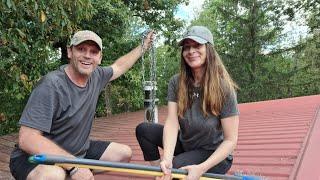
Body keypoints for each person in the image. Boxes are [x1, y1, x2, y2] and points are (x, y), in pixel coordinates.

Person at [9, 30, 154, 180]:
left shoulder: (97, 76)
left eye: (93, 52)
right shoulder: (51, 85)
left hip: (76, 152)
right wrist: (75, 166)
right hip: (34, 157)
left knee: (123, 154)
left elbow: (119, 66)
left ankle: (72, 172)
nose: (87, 55)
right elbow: (27, 138)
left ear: (99, 57)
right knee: (54, 175)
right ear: (70, 52)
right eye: (81, 49)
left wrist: (142, 47)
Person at [136, 26, 239, 180]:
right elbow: (171, 122)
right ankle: (163, 173)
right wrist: (167, 161)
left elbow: (230, 141)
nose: (191, 51)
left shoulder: (224, 88)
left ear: (209, 49)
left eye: (197, 45)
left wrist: (201, 168)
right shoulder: (176, 82)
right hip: (187, 145)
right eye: (187, 47)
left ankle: (174, 172)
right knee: (144, 130)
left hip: (213, 154)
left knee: (178, 167)